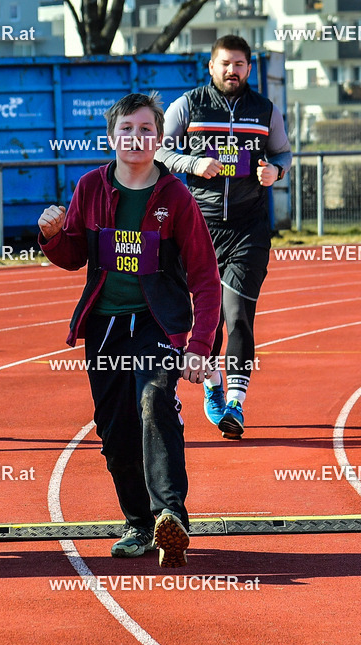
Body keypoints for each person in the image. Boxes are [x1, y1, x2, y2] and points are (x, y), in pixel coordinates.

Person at [38, 93, 221, 568]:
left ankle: (170, 515)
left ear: (159, 139)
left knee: (154, 402)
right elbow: (73, 255)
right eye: (126, 129)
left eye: (145, 130)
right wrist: (53, 236)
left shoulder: (176, 197)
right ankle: (139, 523)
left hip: (158, 325)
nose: (135, 138)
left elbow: (205, 276)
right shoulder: (90, 187)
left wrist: (200, 345)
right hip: (105, 327)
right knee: (115, 428)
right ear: (111, 136)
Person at [156, 35, 291, 440]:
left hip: (249, 229)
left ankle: (235, 403)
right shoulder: (189, 106)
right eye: (225, 63)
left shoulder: (265, 110)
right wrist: (192, 163)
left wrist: (276, 171)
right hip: (199, 228)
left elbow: (283, 154)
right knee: (206, 320)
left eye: (240, 64)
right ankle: (213, 382)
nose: (233, 71)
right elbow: (159, 150)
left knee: (239, 315)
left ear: (249, 68)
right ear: (211, 66)